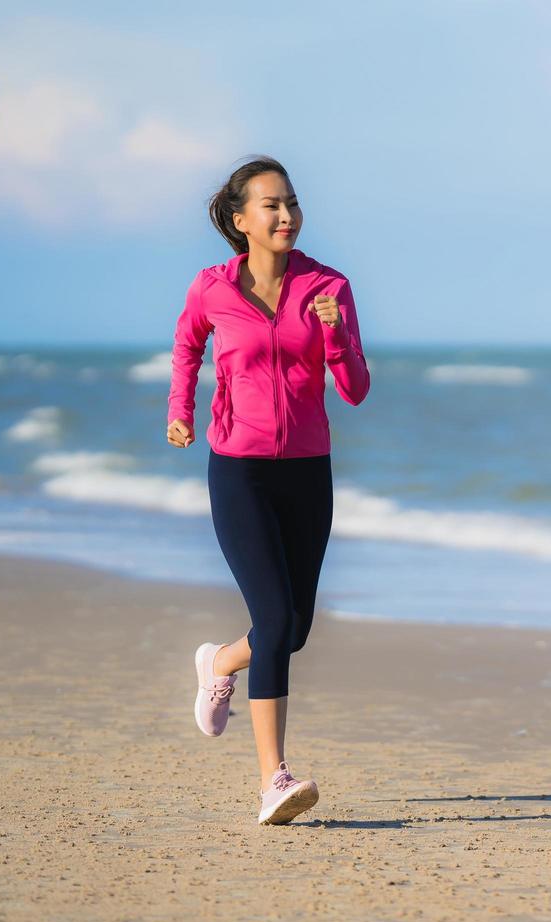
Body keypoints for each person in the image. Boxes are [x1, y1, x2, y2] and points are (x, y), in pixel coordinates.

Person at [166, 154, 371, 825]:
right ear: (239, 219)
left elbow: (356, 390)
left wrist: (336, 335)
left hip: (308, 469)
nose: (285, 215)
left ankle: (220, 660)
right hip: (240, 468)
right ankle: (272, 780)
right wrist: (182, 410)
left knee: (296, 629)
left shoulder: (329, 287)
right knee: (278, 624)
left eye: (291, 203)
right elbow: (188, 344)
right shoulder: (212, 288)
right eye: (271, 205)